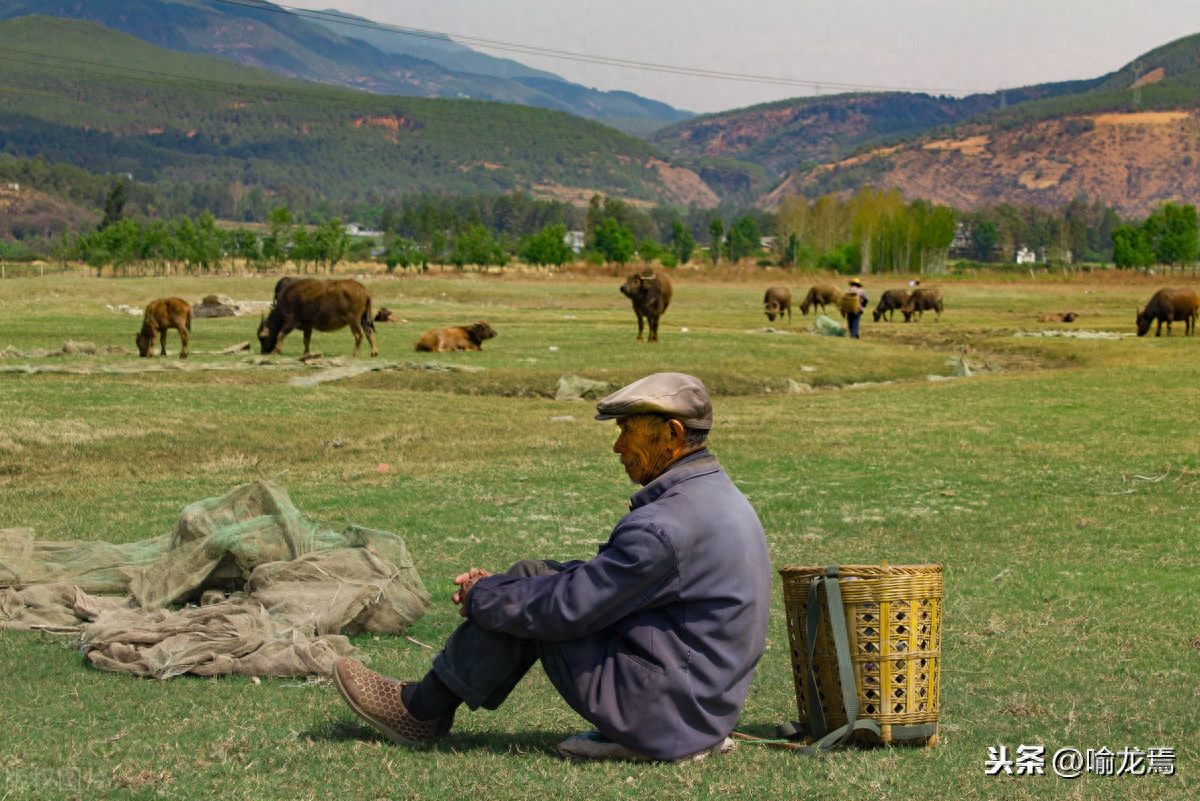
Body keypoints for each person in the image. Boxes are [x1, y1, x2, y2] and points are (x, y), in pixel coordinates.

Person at [331, 372, 772, 762]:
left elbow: (567, 609)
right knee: (530, 579)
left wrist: (485, 595)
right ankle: (425, 705)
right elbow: (619, 582)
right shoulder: (716, 495)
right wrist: (504, 587)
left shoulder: (665, 526)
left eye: (627, 431)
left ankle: (419, 711)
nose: (618, 446)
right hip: (701, 706)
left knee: (530, 595)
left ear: (672, 434)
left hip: (667, 714)